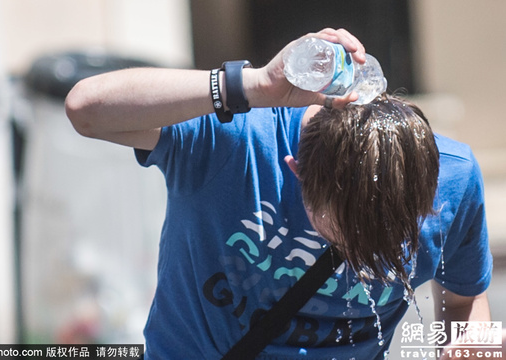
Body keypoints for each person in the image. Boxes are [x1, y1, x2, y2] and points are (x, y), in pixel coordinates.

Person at [65, 28, 493, 359]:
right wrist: (253, 85)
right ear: (297, 172)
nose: (365, 257)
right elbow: (86, 111)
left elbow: (463, 299)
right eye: (349, 236)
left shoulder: (453, 178)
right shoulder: (232, 144)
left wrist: (473, 347)